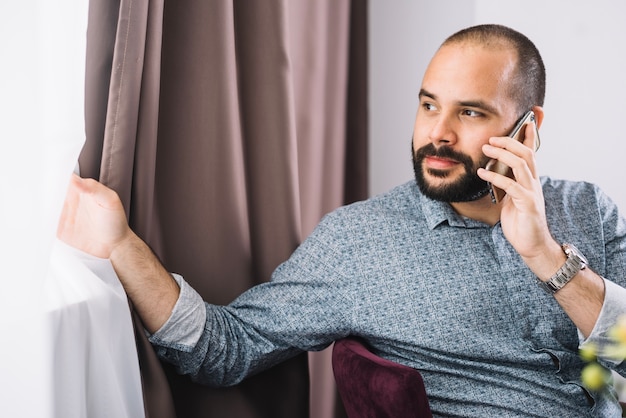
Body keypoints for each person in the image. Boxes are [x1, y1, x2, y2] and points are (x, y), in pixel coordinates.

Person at [58, 24, 626, 416]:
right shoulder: (360, 239)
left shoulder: (588, 209)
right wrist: (121, 242)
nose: (438, 134)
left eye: (470, 112)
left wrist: (547, 258)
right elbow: (223, 348)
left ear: (528, 129)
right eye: (429, 105)